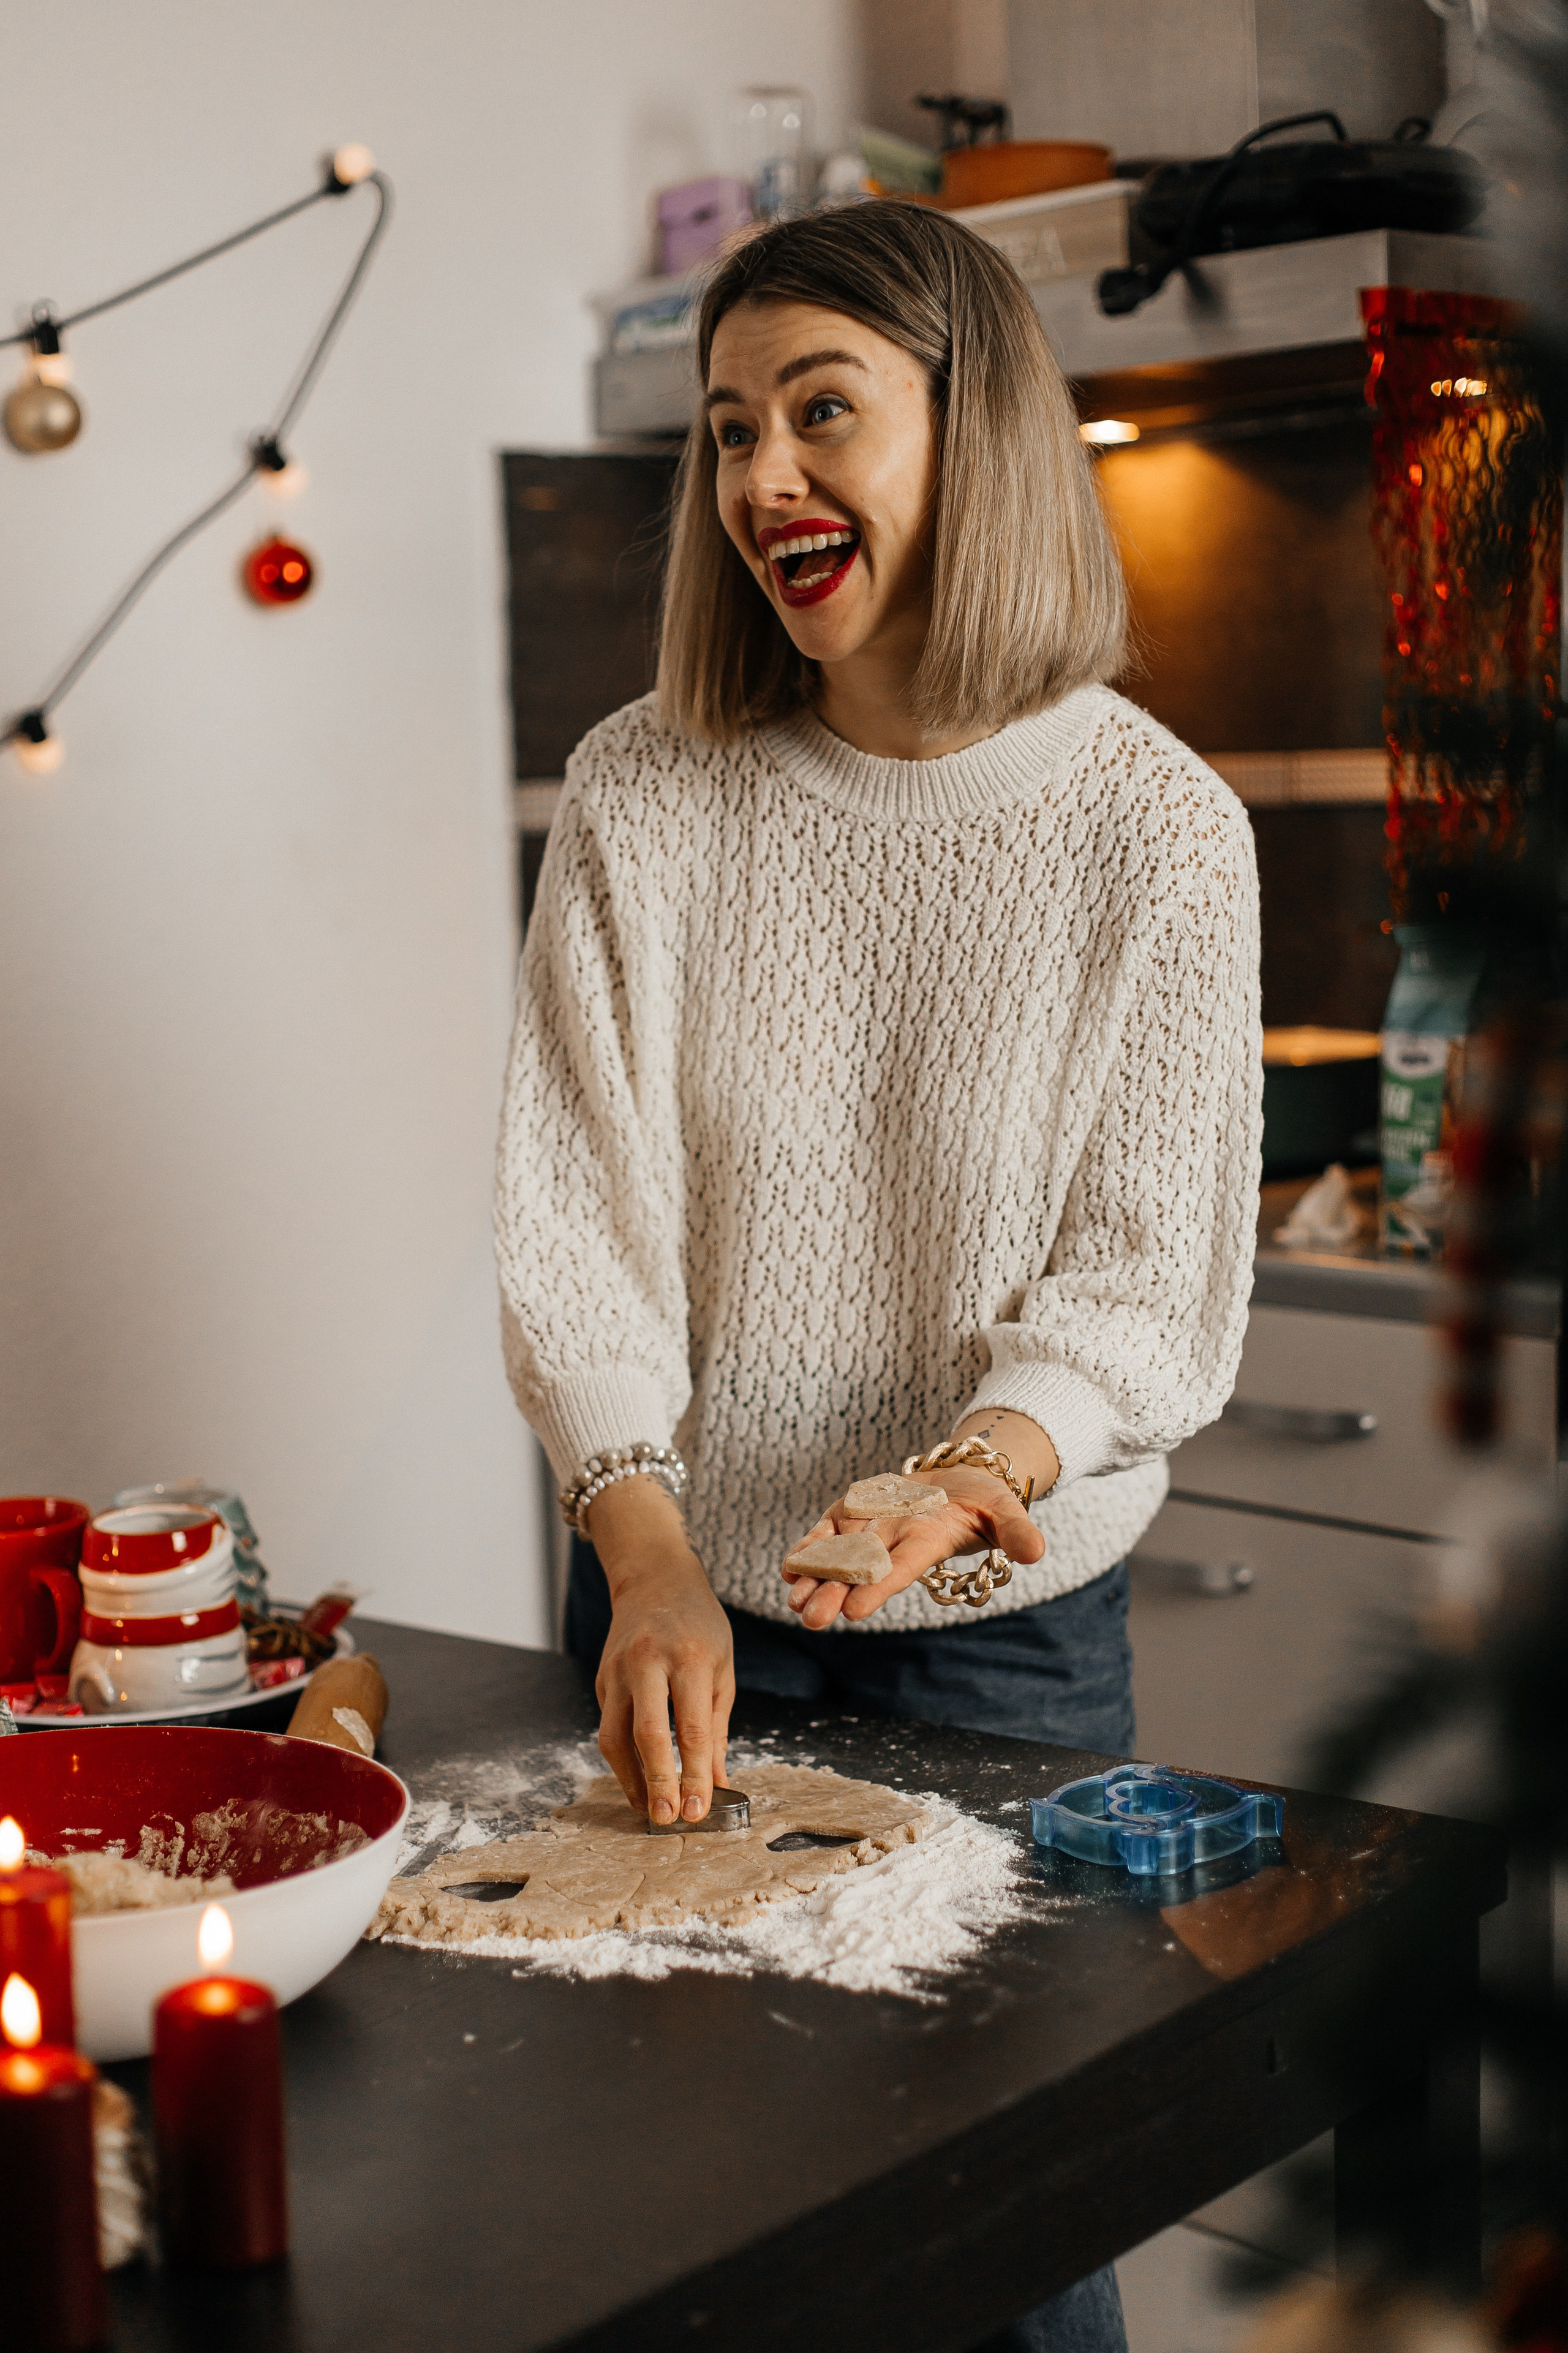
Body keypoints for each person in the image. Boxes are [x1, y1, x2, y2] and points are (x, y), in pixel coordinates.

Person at [495, 200, 1260, 2353]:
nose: (760, 480)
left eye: (824, 412)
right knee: (690, 2187)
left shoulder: (1156, 827)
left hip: (1000, 1639)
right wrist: (643, 1545)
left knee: (1001, 2219)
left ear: (978, 427)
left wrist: (979, 1460)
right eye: (730, 428)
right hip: (674, 1607)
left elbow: (1140, 1285)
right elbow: (579, 1227)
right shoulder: (649, 789)